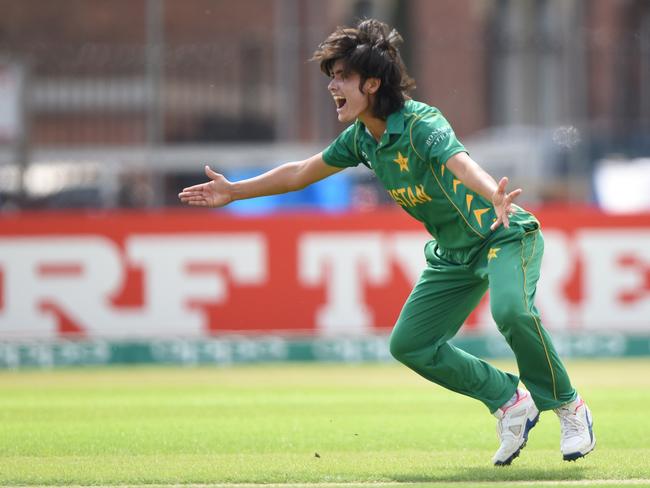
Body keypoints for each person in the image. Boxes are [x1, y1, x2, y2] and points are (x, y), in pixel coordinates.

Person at [178, 18, 595, 466]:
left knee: (511, 311)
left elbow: (458, 162)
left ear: (373, 83)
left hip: (504, 234)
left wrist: (491, 191)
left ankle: (570, 407)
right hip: (454, 255)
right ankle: (508, 399)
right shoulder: (363, 138)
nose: (333, 86)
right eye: (331, 77)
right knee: (410, 345)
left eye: (343, 77)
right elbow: (301, 172)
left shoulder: (420, 122)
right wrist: (234, 190)